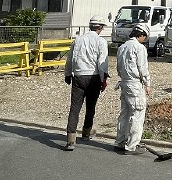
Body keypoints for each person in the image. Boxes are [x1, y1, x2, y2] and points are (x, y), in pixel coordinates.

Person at [62, 15, 110, 151]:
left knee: (75, 107)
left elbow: (70, 58)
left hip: (78, 76)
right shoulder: (101, 42)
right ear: (100, 27)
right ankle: (86, 132)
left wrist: (67, 73)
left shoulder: (78, 39)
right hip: (93, 77)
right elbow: (102, 63)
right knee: (90, 106)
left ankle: (71, 139)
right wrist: (103, 79)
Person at [115, 24, 152, 154]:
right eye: (144, 37)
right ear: (141, 35)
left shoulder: (122, 47)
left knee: (124, 114)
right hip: (135, 84)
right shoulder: (139, 48)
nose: (144, 39)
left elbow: (118, 67)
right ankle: (131, 146)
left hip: (124, 83)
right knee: (137, 114)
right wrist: (147, 84)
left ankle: (119, 142)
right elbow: (143, 68)